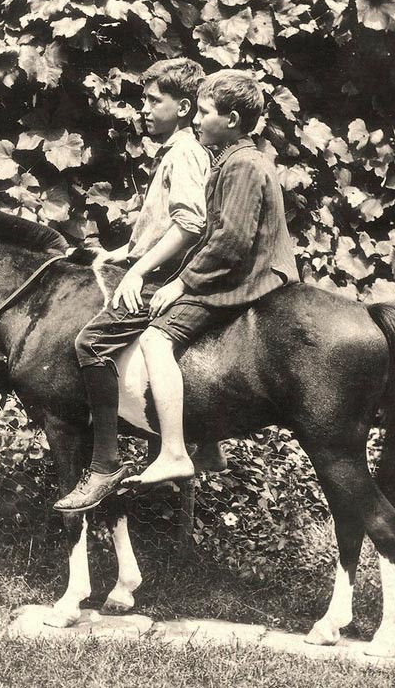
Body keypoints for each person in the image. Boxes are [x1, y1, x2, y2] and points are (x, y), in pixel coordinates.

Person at [123, 69, 300, 487]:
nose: (197, 121)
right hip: (242, 270)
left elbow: (229, 243)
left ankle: (173, 452)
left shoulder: (241, 165)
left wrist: (180, 282)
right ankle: (210, 444)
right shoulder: (235, 159)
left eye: (203, 113)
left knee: (154, 337)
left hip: (249, 276)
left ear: (232, 119)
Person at [53, 58, 210, 512]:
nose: (142, 109)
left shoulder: (182, 153)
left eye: (152, 100)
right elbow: (162, 225)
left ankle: (105, 464)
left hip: (163, 277)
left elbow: (189, 224)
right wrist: (123, 253)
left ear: (183, 107)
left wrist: (139, 271)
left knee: (90, 342)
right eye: (143, 100)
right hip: (148, 263)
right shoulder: (176, 151)